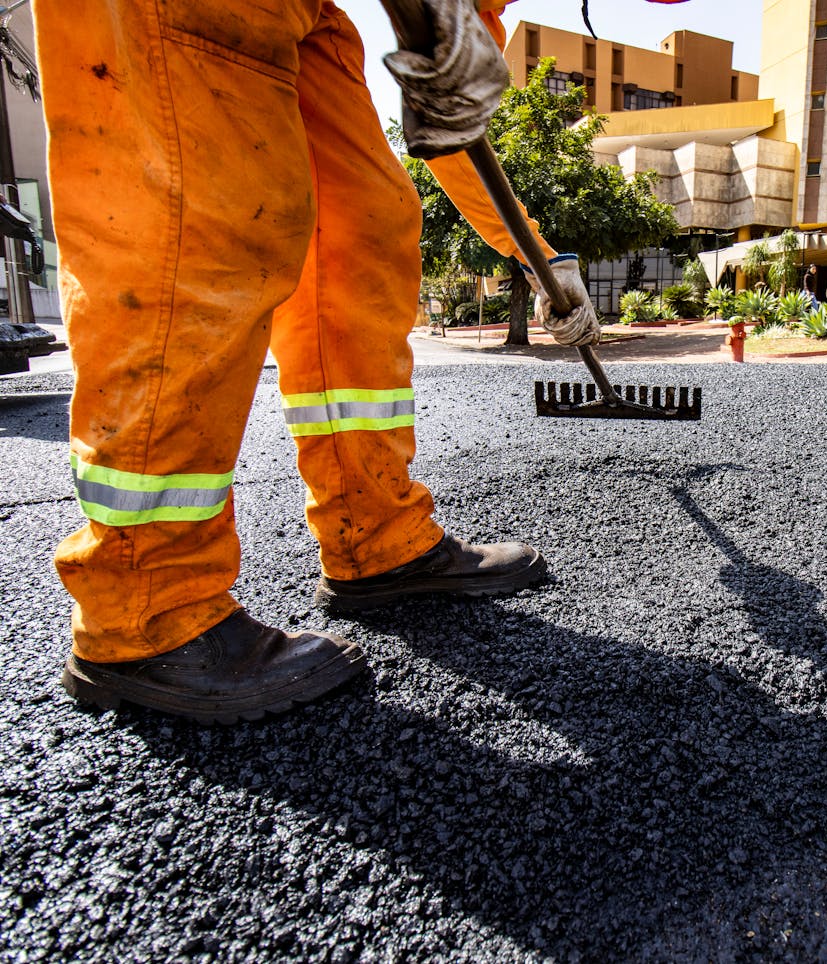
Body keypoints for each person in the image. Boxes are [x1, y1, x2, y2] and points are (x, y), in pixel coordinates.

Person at [33, 0, 683, 724]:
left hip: (304, 16)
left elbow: (450, 114)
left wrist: (534, 256)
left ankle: (375, 536)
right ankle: (148, 602)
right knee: (210, 211)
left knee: (363, 225)